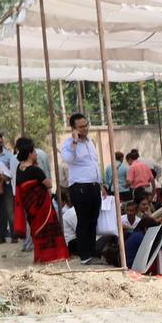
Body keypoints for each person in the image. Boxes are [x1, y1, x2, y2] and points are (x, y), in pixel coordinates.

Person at [14, 139, 69, 264]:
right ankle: (51, 256)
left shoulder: (19, 168)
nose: (36, 154)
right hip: (42, 207)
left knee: (36, 232)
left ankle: (40, 256)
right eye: (34, 152)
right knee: (48, 231)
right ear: (29, 153)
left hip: (30, 208)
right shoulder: (35, 170)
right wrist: (39, 169)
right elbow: (49, 184)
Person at [60, 113, 102, 264]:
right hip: (80, 187)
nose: (85, 128)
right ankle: (85, 256)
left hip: (94, 185)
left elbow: (94, 164)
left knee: (93, 220)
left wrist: (100, 183)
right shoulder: (68, 143)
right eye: (81, 126)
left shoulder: (90, 142)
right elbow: (68, 159)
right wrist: (75, 142)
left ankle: (92, 252)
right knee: (83, 221)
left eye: (86, 125)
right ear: (74, 128)